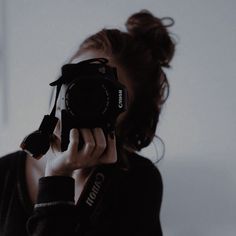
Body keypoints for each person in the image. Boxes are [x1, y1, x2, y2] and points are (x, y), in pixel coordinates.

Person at [0, 10, 175, 236]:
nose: (81, 99)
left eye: (103, 96)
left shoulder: (137, 182)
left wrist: (58, 180)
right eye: (76, 82)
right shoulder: (3, 175)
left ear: (128, 119)